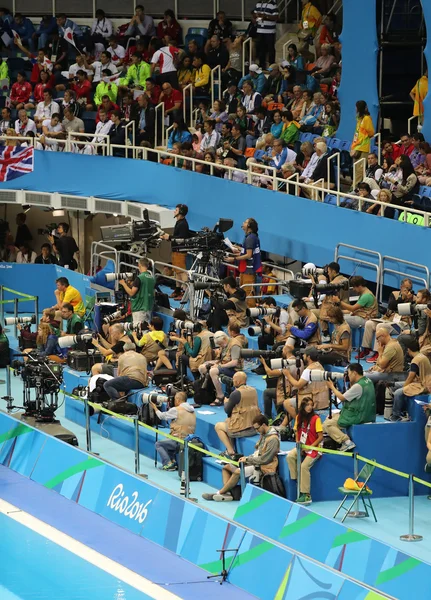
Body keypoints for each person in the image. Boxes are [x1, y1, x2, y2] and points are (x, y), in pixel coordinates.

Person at [203, 414, 280, 502]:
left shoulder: (273, 439)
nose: (257, 431)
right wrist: (246, 458)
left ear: (263, 425)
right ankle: (228, 493)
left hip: (263, 467)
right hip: (255, 463)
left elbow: (265, 459)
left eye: (257, 428)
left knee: (237, 472)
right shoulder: (263, 434)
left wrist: (248, 460)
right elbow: (258, 452)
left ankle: (219, 493)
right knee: (226, 468)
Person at [358, 278, 414, 362]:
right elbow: (391, 306)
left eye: (409, 289)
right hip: (389, 319)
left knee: (381, 326)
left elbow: (411, 311)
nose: (407, 291)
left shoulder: (414, 299)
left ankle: (377, 352)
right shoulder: (394, 294)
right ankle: (366, 349)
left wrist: (409, 299)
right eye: (405, 288)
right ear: (401, 287)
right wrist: (401, 298)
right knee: (369, 323)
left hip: (402, 324)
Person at [214, 371, 261, 460]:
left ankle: (230, 451)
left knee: (218, 426)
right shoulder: (253, 390)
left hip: (241, 429)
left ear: (238, 382)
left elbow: (227, 410)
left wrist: (226, 403)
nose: (233, 381)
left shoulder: (236, 393)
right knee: (227, 421)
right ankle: (231, 449)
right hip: (254, 428)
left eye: (234, 379)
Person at [286, 396, 323, 505]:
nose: (310, 407)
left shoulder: (316, 419)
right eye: (307, 405)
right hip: (302, 446)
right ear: (303, 406)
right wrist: (298, 444)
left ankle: (306, 495)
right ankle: (298, 480)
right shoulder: (299, 417)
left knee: (304, 466)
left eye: (311, 405)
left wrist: (310, 447)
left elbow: (320, 437)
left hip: (314, 448)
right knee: (290, 456)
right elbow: (297, 432)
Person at [282, 347, 328, 421]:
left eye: (304, 355)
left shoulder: (308, 370)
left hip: (314, 401)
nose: (303, 356)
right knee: (295, 400)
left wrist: (287, 375)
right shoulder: (320, 366)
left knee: (287, 403)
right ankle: (283, 425)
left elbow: (298, 385)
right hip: (323, 401)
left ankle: (300, 422)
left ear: (308, 357)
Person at [153, 391, 196, 471]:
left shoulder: (177, 410)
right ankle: (173, 461)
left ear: (178, 400)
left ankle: (168, 463)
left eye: (175, 399)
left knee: (158, 444)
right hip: (188, 440)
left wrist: (155, 408)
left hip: (179, 440)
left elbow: (162, 416)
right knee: (169, 439)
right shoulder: (192, 410)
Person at [391, 338, 431, 421]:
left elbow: (410, 377)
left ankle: (396, 415)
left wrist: (405, 387)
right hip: (421, 381)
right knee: (394, 385)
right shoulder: (422, 356)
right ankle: (402, 409)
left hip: (423, 385)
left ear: (408, 349)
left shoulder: (415, 360)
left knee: (398, 392)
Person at [225, 218, 262, 308]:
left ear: (249, 226)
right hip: (246, 270)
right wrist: (239, 249)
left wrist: (234, 259)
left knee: (248, 293)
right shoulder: (251, 237)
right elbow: (248, 252)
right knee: (245, 291)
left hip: (249, 271)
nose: (243, 223)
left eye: (245, 222)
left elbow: (249, 255)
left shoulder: (250, 238)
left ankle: (251, 314)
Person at [198, 331, 243, 403]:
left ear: (225, 339)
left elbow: (234, 362)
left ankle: (220, 395)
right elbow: (221, 359)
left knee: (213, 371)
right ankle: (210, 392)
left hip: (234, 369)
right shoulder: (224, 344)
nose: (220, 346)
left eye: (220, 344)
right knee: (202, 367)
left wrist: (220, 366)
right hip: (223, 364)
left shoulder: (234, 345)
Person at [160, 203, 190, 299]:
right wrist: (168, 237)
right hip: (176, 251)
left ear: (180, 212)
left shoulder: (183, 224)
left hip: (180, 251)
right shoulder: (179, 222)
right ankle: (177, 290)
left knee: (182, 272)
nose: (174, 211)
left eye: (176, 210)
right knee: (177, 272)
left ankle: (184, 292)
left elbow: (182, 238)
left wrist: (169, 237)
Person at [118, 258, 154, 325]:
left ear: (139, 265)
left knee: (138, 331)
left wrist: (123, 284)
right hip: (149, 308)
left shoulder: (139, 278)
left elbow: (131, 293)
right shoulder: (152, 278)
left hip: (139, 309)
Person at [351, 100, 375, 187]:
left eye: (356, 107)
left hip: (363, 147)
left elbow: (371, 132)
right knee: (356, 170)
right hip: (357, 146)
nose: (355, 109)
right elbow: (357, 133)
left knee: (360, 171)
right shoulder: (359, 119)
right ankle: (354, 187)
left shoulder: (366, 119)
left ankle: (355, 189)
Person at [254, 0, 278, 68]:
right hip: (260, 30)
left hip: (269, 31)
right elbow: (254, 14)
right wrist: (255, 17)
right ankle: (262, 65)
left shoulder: (273, 4)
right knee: (261, 49)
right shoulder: (258, 3)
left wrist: (266, 16)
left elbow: (276, 17)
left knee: (270, 49)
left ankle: (272, 66)